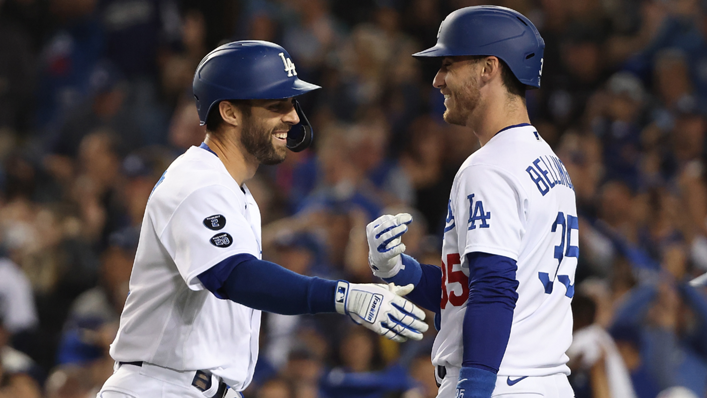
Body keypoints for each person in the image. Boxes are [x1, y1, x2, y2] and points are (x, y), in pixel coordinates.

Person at [96, 40, 428, 398]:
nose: (294, 117)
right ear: (230, 112)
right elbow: (237, 277)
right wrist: (341, 295)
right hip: (160, 387)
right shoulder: (196, 183)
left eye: (292, 104)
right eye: (276, 105)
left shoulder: (234, 190)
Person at [365, 6, 578, 398]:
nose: (437, 80)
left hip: (501, 382)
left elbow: (495, 289)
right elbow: (471, 289)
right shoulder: (548, 161)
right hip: (540, 381)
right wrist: (400, 271)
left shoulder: (490, 166)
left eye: (449, 64)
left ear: (488, 68)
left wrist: (474, 390)